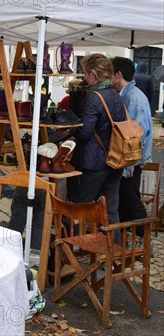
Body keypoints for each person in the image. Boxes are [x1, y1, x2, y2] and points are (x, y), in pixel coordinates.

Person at [67, 53, 126, 243]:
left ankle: (72, 251)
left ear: (93, 73)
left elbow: (84, 133)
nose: (85, 77)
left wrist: (71, 128)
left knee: (79, 209)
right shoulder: (116, 94)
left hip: (93, 163)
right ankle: (114, 251)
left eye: (85, 73)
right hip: (115, 159)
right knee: (110, 210)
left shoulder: (94, 97)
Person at [112, 57, 153, 243]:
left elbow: (134, 136)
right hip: (132, 159)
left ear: (118, 74)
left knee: (131, 200)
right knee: (125, 199)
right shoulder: (129, 94)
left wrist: (128, 166)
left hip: (131, 160)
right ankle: (128, 240)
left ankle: (144, 239)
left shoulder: (132, 97)